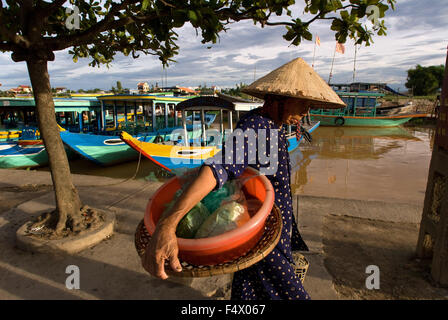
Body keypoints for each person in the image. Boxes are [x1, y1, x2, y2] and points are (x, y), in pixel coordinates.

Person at [141, 57, 346, 300]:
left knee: (249, 293)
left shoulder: (273, 125)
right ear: (278, 99)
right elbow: (219, 167)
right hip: (261, 236)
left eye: (309, 107)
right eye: (302, 104)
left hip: (269, 229)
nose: (306, 112)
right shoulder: (257, 126)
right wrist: (168, 224)